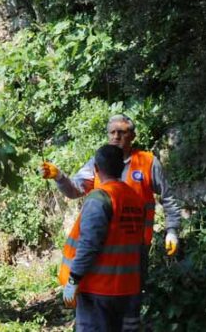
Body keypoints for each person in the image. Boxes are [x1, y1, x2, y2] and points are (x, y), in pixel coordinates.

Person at [41, 114, 181, 330]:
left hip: (134, 251)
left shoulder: (147, 162)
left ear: (132, 136)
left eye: (122, 132)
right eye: (112, 132)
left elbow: (168, 198)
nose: (116, 136)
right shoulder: (100, 161)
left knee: (124, 309)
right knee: (121, 308)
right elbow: (75, 189)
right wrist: (60, 177)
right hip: (104, 254)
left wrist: (172, 230)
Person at [58, 144, 147, 331]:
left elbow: (89, 244)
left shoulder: (100, 198)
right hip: (127, 288)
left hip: (97, 290)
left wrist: (73, 281)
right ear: (122, 168)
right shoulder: (135, 199)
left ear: (96, 169)